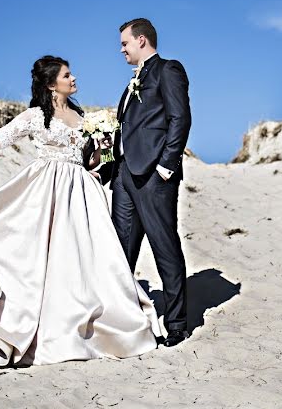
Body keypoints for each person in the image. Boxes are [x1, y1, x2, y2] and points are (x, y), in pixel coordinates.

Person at [0, 55, 161, 368]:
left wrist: (104, 147)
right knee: (38, 259)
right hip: (46, 190)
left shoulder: (82, 116)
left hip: (81, 193)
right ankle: (35, 327)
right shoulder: (36, 116)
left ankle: (92, 324)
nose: (74, 77)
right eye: (67, 74)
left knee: (88, 259)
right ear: (52, 85)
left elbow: (92, 162)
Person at [110, 18, 192, 347]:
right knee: (119, 251)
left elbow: (180, 118)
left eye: (125, 43)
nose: (121, 49)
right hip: (125, 176)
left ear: (141, 40)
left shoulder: (168, 70)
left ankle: (177, 324)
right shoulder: (131, 82)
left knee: (164, 248)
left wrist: (166, 167)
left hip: (155, 177)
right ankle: (122, 321)